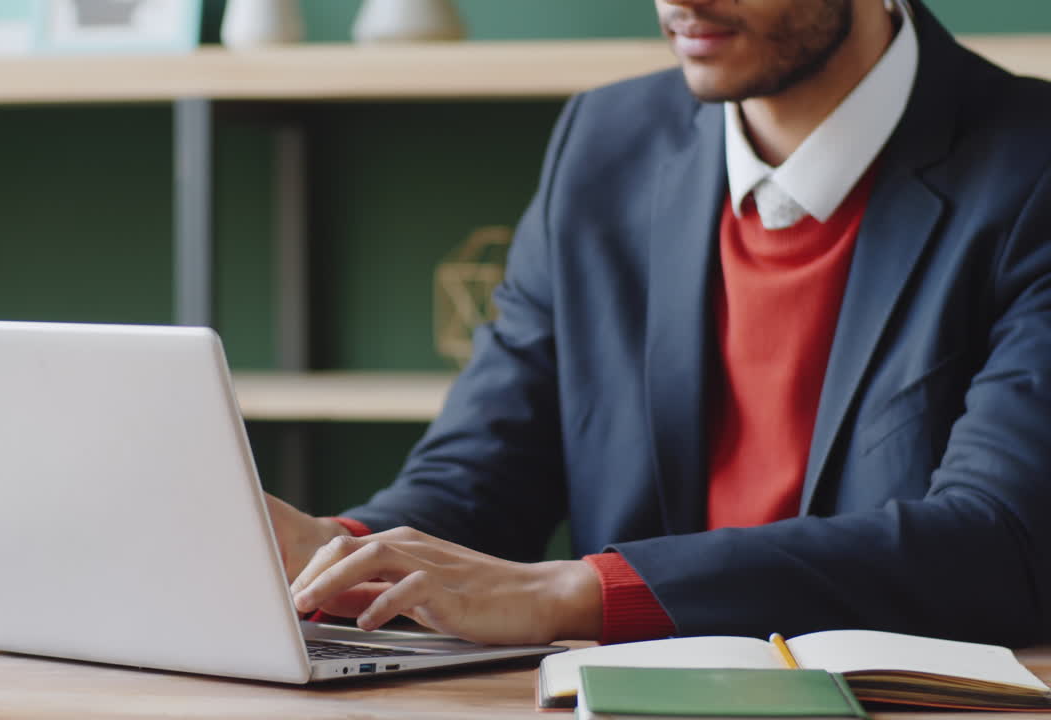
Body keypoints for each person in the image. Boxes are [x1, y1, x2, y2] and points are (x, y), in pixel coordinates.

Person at [272, 0, 1051, 648]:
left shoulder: (1031, 168)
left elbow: (996, 541)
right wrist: (333, 549)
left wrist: (575, 591)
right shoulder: (604, 144)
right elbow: (486, 472)